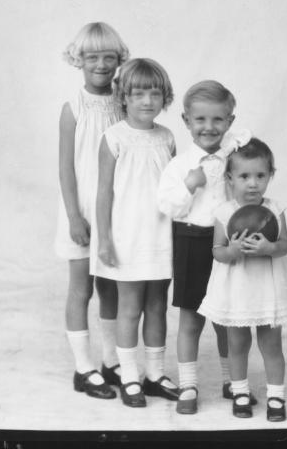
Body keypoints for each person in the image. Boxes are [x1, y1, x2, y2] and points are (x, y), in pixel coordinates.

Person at [157, 80, 252, 415]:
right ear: (185, 121)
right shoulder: (179, 166)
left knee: (227, 317)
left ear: (228, 121)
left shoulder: (232, 155)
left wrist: (230, 144)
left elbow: (245, 140)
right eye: (200, 120)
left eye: (218, 120)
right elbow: (169, 207)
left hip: (226, 241)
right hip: (192, 241)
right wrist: (189, 186)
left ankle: (232, 381)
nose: (208, 127)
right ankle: (188, 385)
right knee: (191, 317)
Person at [198, 137, 287, 421]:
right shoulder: (224, 213)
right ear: (230, 178)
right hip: (237, 291)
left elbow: (285, 245)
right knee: (238, 344)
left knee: (271, 345)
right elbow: (217, 251)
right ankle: (241, 393)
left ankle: (276, 398)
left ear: (271, 175)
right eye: (244, 176)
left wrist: (269, 248)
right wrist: (232, 250)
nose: (253, 183)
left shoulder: (276, 210)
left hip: (268, 291)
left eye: (260, 175)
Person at [94, 58, 179, 408]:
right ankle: (129, 376)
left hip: (162, 237)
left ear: (165, 97)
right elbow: (103, 193)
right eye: (139, 93)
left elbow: (174, 190)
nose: (147, 101)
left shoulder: (168, 137)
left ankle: (155, 374)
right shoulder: (114, 138)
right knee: (130, 308)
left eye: (155, 93)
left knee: (157, 306)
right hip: (127, 238)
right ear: (123, 97)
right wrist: (105, 239)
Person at [54, 22, 129, 400]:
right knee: (81, 288)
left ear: (119, 60)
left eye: (108, 57)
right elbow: (66, 167)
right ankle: (83, 368)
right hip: (83, 209)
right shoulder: (74, 107)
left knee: (111, 287)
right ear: (78, 60)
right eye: (92, 57)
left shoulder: (125, 102)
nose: (101, 64)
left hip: (116, 210)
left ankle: (111, 361)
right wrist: (73, 216)